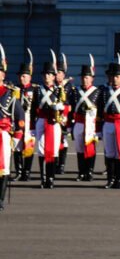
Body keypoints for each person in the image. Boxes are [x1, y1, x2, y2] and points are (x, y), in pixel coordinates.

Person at [97, 61, 120, 189]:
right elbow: (99, 112)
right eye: (112, 76)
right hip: (108, 124)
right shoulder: (104, 92)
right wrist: (98, 129)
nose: (114, 79)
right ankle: (110, 180)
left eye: (117, 76)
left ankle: (119, 180)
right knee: (109, 153)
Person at [32, 59, 68, 189]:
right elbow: (32, 109)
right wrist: (31, 127)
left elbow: (66, 107)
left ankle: (51, 178)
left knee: (52, 151)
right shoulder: (38, 90)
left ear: (54, 76)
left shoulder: (59, 90)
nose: (47, 77)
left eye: (50, 74)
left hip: (54, 122)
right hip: (42, 120)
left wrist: (61, 109)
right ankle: (43, 178)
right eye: (45, 74)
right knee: (41, 149)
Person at [0, 55, 26, 208]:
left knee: (3, 168)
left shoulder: (10, 93)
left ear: (3, 74)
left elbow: (20, 116)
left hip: (3, 134)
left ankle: (0, 199)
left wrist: (17, 137)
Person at [70, 64, 101, 182]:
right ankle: (81, 172)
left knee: (90, 148)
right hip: (78, 122)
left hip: (91, 124)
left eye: (87, 77)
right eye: (83, 77)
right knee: (79, 148)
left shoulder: (97, 92)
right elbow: (71, 108)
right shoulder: (76, 91)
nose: (85, 79)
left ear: (92, 78)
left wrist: (98, 128)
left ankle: (90, 171)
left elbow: (100, 110)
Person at [15, 61, 35, 181]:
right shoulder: (14, 89)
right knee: (17, 146)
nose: (22, 78)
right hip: (18, 120)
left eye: (25, 76)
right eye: (21, 76)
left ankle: (26, 172)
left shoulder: (35, 89)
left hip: (29, 120)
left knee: (28, 146)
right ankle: (18, 171)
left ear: (29, 77)